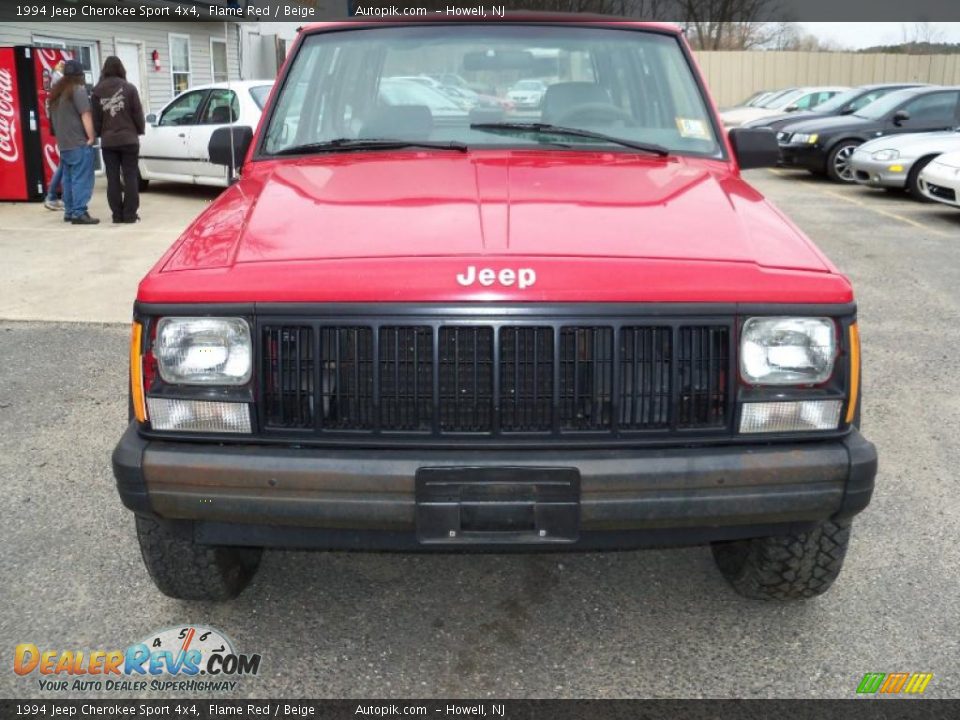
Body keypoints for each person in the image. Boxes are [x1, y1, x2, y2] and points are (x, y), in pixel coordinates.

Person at [92, 56, 145, 224]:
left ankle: (117, 215)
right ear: (121, 69)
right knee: (130, 176)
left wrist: (102, 133)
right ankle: (130, 215)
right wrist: (140, 130)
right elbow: (137, 113)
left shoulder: (97, 91)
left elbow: (96, 119)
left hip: (109, 141)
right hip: (129, 139)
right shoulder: (129, 89)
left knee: (112, 178)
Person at [49, 59, 99, 225]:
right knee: (81, 178)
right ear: (80, 76)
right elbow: (86, 114)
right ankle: (79, 212)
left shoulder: (56, 94)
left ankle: (69, 211)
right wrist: (91, 137)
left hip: (63, 144)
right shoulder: (77, 90)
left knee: (68, 179)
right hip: (78, 142)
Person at [43, 60, 65, 211]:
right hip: (65, 132)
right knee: (65, 164)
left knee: (64, 164)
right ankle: (52, 196)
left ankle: (54, 196)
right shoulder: (59, 90)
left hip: (61, 131)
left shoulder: (54, 93)